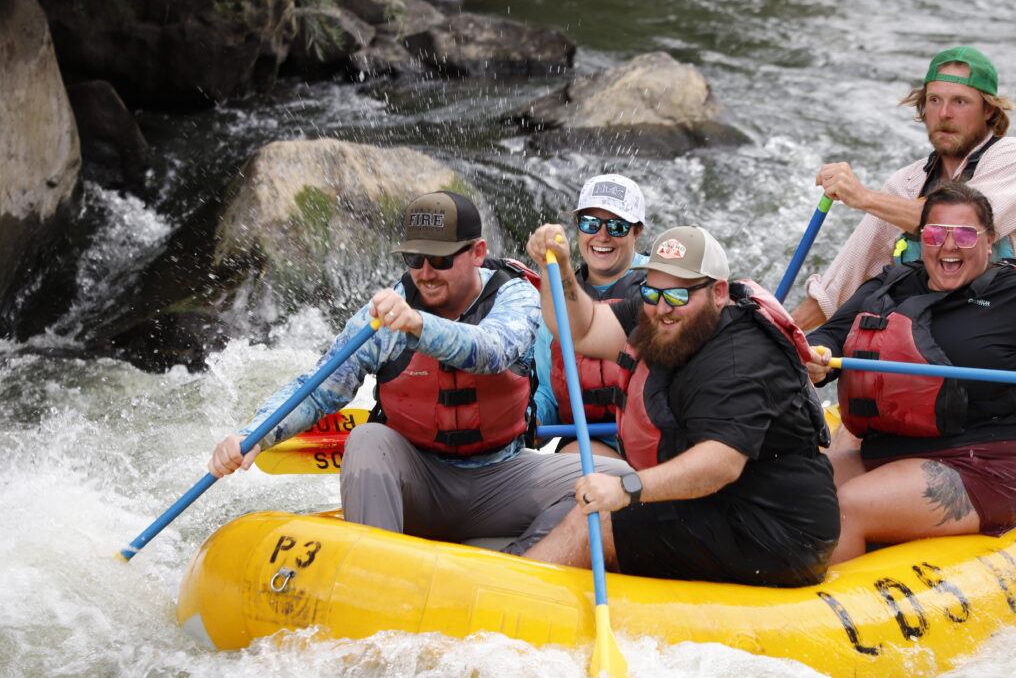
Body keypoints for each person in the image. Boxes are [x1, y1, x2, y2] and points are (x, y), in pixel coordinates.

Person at [208, 191, 631, 550]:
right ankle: (377, 570)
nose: (426, 273)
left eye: (441, 260)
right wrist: (254, 435)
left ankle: (521, 566)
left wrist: (418, 325)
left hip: (500, 478)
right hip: (419, 481)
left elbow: (493, 351)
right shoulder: (384, 313)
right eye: (415, 258)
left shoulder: (515, 297)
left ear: (477, 252)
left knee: (620, 479)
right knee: (369, 438)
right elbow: (320, 389)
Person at [805, 181, 1016, 563]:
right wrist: (818, 354)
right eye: (935, 234)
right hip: (888, 451)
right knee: (794, 491)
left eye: (963, 234)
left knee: (846, 505)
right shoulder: (889, 286)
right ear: (920, 238)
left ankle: (825, 610)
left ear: (988, 240)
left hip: (981, 464)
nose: (949, 246)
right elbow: (832, 334)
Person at [518, 223, 841, 587]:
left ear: (719, 292)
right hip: (712, 506)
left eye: (676, 297)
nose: (661, 309)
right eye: (652, 293)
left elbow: (719, 465)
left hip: (776, 531)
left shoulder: (741, 358)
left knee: (590, 523)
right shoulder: (660, 313)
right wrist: (558, 269)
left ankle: (515, 598)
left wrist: (626, 489)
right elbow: (583, 329)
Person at [792, 45, 1016, 332]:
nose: (944, 113)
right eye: (934, 100)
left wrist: (863, 197)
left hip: (1006, 324)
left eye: (960, 102)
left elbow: (957, 222)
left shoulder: (1013, 156)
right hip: (934, 331)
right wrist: (784, 331)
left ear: (988, 110)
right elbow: (847, 279)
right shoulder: (906, 183)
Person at [531, 173, 650, 458]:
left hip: (653, 443)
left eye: (618, 226)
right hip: (590, 443)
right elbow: (547, 392)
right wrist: (529, 420)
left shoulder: (664, 287)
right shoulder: (552, 295)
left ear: (637, 231)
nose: (602, 235)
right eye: (590, 223)